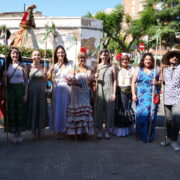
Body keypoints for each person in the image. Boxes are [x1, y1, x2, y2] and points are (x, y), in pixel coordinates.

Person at [131, 53, 160, 143]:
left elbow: (161, 83)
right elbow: (133, 82)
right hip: (141, 97)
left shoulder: (156, 70)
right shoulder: (138, 69)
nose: (148, 61)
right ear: (143, 60)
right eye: (146, 59)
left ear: (152, 61)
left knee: (151, 116)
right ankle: (140, 134)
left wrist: (157, 82)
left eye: (150, 59)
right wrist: (133, 94)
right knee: (141, 115)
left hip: (152, 96)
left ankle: (148, 135)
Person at [66, 48, 94, 138]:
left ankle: (84, 132)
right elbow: (68, 82)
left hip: (85, 92)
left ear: (86, 59)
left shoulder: (89, 69)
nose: (82, 60)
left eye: (84, 58)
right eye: (80, 58)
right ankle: (75, 132)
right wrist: (73, 81)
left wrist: (92, 79)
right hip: (76, 92)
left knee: (84, 111)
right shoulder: (73, 69)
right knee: (76, 111)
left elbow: (90, 81)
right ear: (77, 59)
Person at [3, 47, 28, 143]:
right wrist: (5, 76)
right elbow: (5, 84)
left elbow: (26, 82)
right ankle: (14, 133)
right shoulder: (6, 66)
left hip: (20, 90)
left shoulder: (23, 66)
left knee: (20, 111)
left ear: (19, 55)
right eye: (13, 53)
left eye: (17, 53)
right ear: (10, 55)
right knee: (12, 112)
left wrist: (26, 94)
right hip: (10, 91)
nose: (15, 55)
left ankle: (19, 133)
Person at [48, 45, 72, 140]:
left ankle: (65, 130)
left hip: (66, 89)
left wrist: (71, 77)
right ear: (56, 54)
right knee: (57, 110)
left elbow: (71, 76)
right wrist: (50, 70)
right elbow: (49, 78)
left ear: (65, 53)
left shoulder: (69, 64)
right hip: (56, 88)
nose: (60, 54)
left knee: (65, 109)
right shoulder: (54, 65)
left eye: (62, 52)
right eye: (58, 52)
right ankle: (58, 130)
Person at [160, 49, 180, 151]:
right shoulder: (165, 69)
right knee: (169, 120)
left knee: (176, 120)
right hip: (166, 98)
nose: (174, 58)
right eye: (172, 56)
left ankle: (174, 140)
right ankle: (169, 138)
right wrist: (160, 80)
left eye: (176, 56)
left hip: (177, 98)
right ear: (168, 58)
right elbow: (163, 83)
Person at [94, 49, 117, 139]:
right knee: (99, 111)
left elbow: (115, 80)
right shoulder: (97, 66)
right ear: (100, 56)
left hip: (109, 90)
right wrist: (95, 76)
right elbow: (92, 78)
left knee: (109, 111)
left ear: (109, 57)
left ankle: (107, 131)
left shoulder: (112, 67)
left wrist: (114, 92)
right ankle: (99, 131)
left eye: (106, 55)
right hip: (100, 91)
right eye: (103, 55)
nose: (104, 57)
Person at [27, 50, 49, 138]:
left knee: (41, 109)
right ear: (32, 56)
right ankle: (34, 129)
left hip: (41, 91)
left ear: (40, 57)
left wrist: (47, 72)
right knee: (33, 109)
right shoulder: (28, 67)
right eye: (35, 55)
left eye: (38, 55)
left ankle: (41, 129)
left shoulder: (43, 67)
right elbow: (25, 80)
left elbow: (46, 80)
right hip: (32, 91)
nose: (37, 56)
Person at [113, 53, 134, 136]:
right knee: (120, 110)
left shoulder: (132, 69)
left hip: (129, 91)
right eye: (123, 59)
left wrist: (133, 92)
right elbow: (114, 80)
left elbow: (133, 81)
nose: (125, 61)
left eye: (126, 59)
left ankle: (126, 129)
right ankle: (119, 129)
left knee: (127, 109)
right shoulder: (116, 68)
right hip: (120, 91)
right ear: (120, 61)